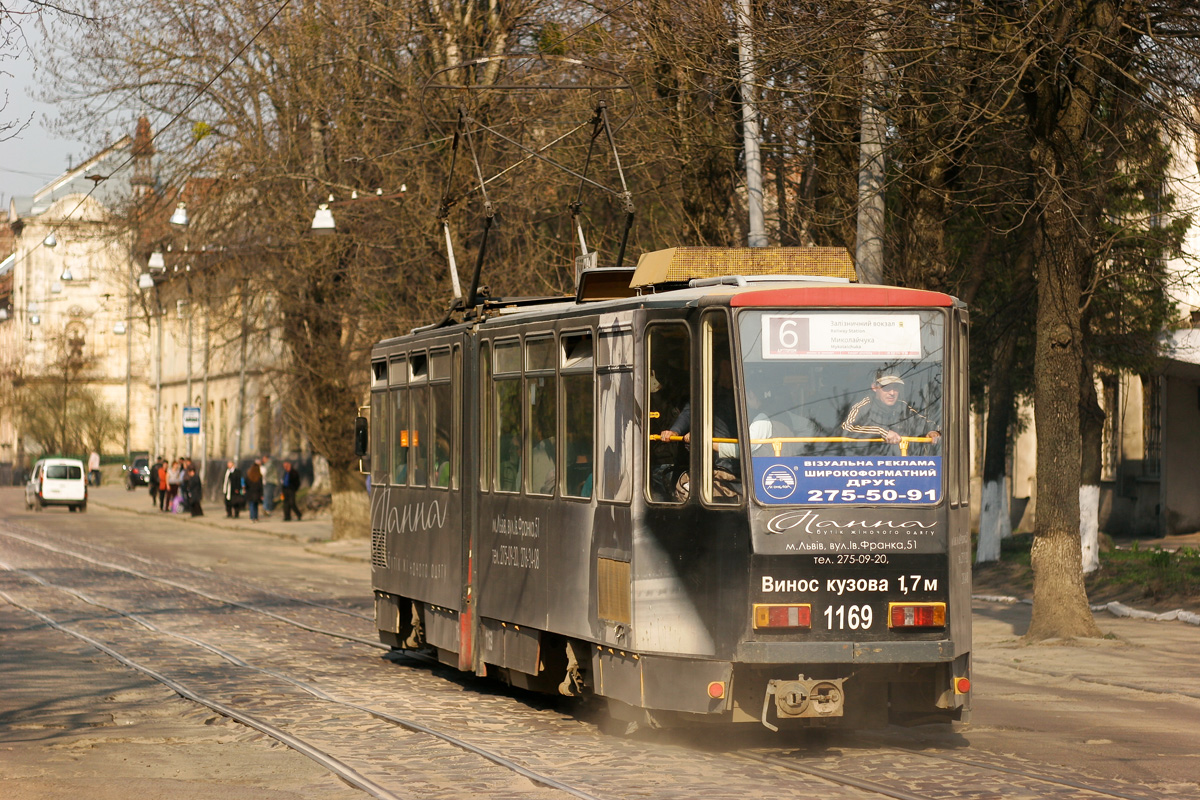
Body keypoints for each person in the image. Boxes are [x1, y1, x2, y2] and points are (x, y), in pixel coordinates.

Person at [841, 373, 940, 455]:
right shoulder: (863, 406)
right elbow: (846, 429)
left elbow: (929, 424)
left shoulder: (903, 407)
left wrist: (933, 432)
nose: (892, 393)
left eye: (895, 388)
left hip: (899, 468)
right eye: (886, 388)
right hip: (868, 468)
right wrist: (883, 432)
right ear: (874, 387)